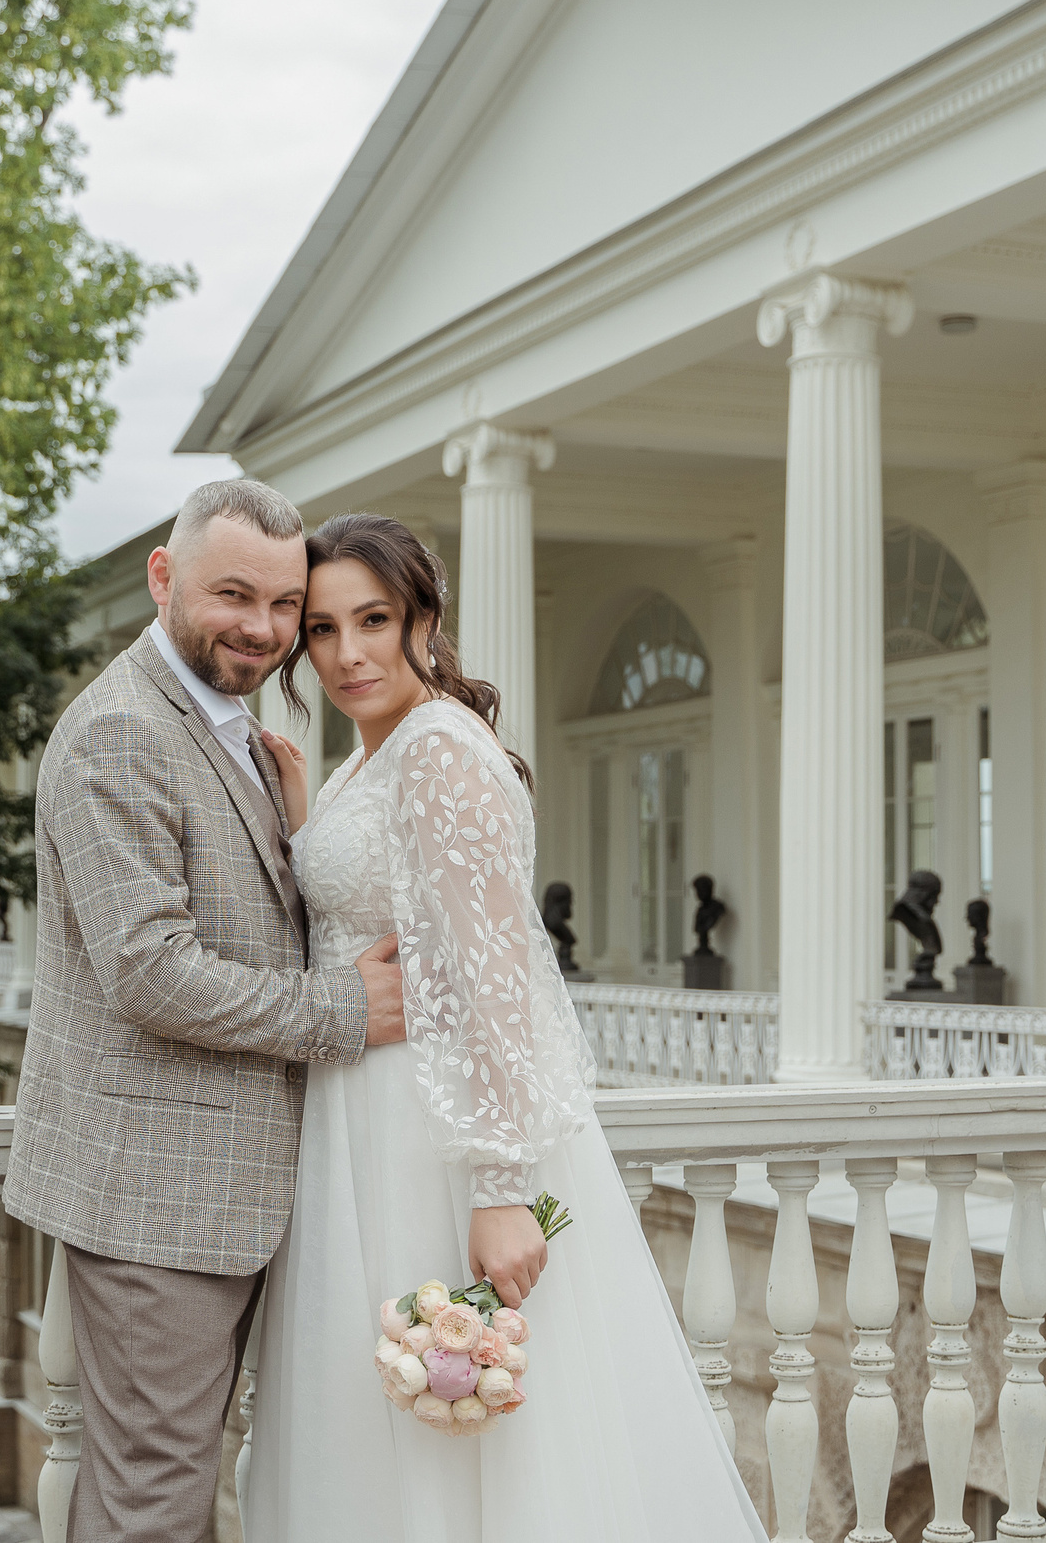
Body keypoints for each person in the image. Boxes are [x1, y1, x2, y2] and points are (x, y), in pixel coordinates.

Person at [249, 513, 765, 1543]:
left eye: (374, 620)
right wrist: (308, 819)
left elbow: (493, 979)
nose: (347, 653)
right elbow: (380, 900)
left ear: (425, 622)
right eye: (320, 629)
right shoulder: (369, 758)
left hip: (426, 1128)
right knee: (372, 1434)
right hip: (356, 1121)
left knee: (460, 1444)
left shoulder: (441, 749)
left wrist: (497, 1189)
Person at [3, 480, 406, 1542]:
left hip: (235, 1193)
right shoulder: (120, 732)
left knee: (171, 1492)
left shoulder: (231, 729)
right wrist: (341, 1011)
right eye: (236, 595)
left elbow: (250, 917)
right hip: (155, 1201)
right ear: (163, 576)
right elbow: (150, 971)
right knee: (153, 1505)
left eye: (286, 606)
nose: (265, 630)